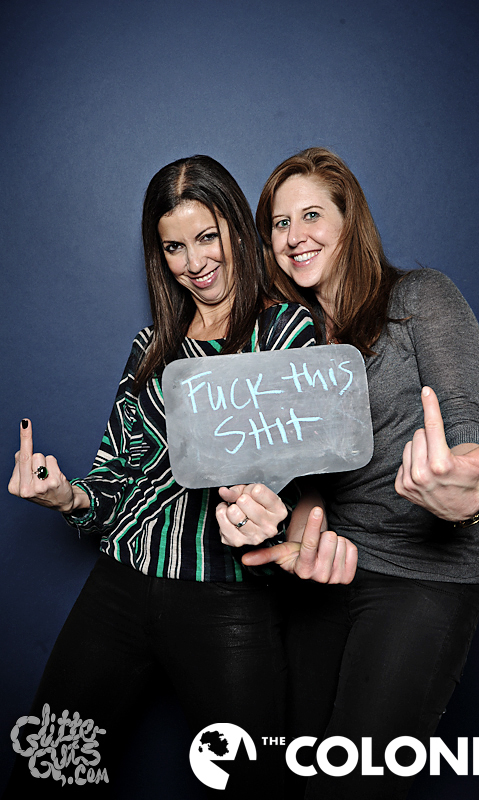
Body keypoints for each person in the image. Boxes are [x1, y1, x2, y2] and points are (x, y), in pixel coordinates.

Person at [6, 154, 356, 799]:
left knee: (252, 788)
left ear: (238, 231)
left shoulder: (289, 336)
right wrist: (66, 495)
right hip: (120, 586)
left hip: (226, 599)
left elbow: (316, 478)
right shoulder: (152, 348)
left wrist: (279, 513)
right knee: (47, 774)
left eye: (207, 238)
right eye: (174, 247)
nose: (194, 262)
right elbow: (113, 480)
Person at [218, 147, 479, 799]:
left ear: (348, 219)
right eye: (279, 224)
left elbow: (465, 424)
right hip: (332, 572)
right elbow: (313, 481)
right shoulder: (290, 342)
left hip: (426, 575)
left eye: (311, 215)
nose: (294, 236)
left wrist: (465, 492)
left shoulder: (421, 297)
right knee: (296, 775)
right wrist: (296, 534)